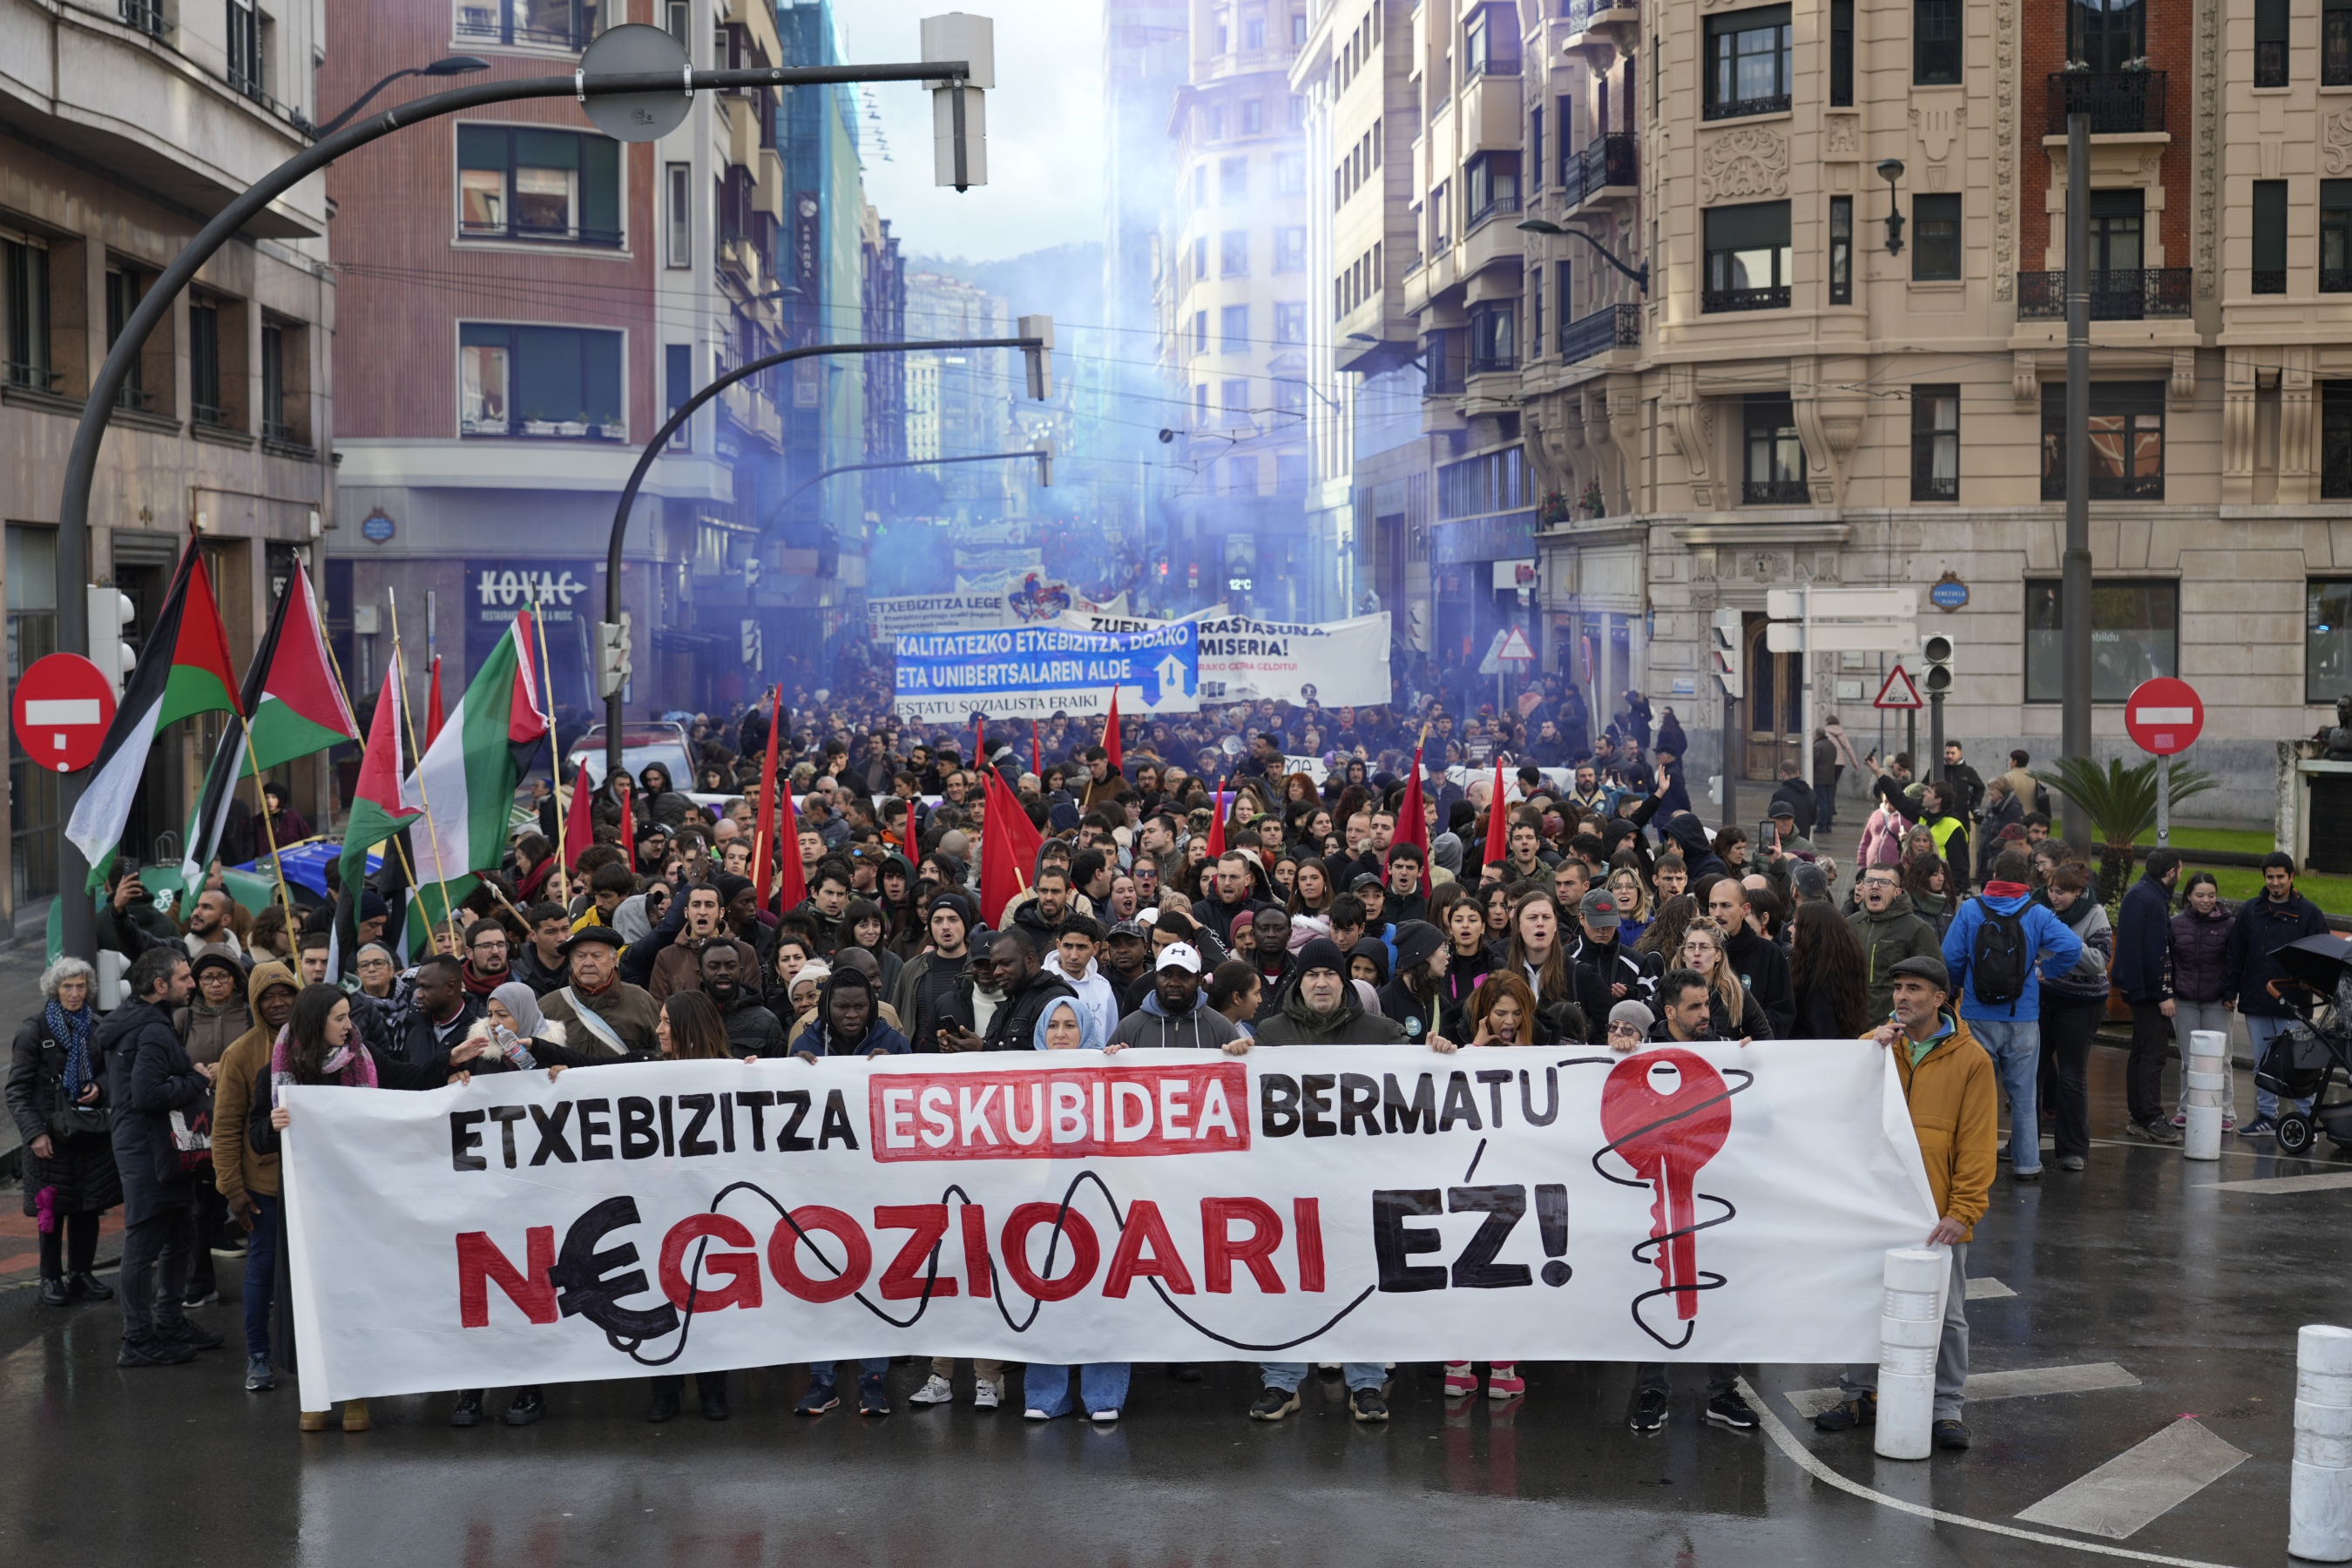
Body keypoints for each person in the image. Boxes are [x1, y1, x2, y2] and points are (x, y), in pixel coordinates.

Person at [263, 983, 489, 1431]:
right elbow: (255, 1133)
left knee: (352, 1293)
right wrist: (273, 1125)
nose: (350, 1026)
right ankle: (315, 1394)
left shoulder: (362, 1057)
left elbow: (408, 1079)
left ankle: (355, 1396)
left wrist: (451, 1061)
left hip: (353, 1200)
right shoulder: (279, 1067)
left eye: (350, 1016)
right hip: (306, 1202)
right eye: (340, 1018)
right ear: (314, 1022)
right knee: (309, 1295)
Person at [1815, 956, 1994, 1452]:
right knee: (1867, 1302)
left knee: (1948, 1314)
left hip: (1937, 1214)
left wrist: (1963, 1211)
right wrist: (1863, 1049)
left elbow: (1977, 1145)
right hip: (1876, 1207)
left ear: (1941, 999)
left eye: (1914, 988)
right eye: (1897, 988)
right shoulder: (1877, 1049)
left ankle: (1945, 1408)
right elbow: (1831, 1093)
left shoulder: (1971, 1060)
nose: (1902, 997)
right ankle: (1860, 1393)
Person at [1622, 968, 1759, 1433]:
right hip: (1655, 1193)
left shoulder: (1723, 1052)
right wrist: (1621, 1049)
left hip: (1712, 1188)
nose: (1705, 1014)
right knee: (1654, 1284)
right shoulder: (1641, 1051)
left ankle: (1724, 1391)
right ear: (1670, 1012)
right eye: (1695, 1007)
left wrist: (1754, 1063)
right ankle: (1653, 1389)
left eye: (1708, 1005)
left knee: (1721, 1290)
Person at [97, 949, 220, 1369]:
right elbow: (146, 1094)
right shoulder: (150, 1029)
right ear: (160, 986)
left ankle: (168, 1323)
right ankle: (137, 1338)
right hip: (151, 1151)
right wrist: (196, 1078)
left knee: (180, 1236)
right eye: (186, 978)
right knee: (146, 1243)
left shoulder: (143, 1021)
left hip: (161, 1148)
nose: (193, 984)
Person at [1020, 997, 1133, 1423]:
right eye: (1054, 1026)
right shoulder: (1019, 1077)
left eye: (1071, 1024)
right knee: (1046, 1294)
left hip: (1100, 1202)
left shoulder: (1108, 1070)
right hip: (1039, 1206)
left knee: (1102, 1299)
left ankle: (1103, 1395)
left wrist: (1128, 1068)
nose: (1062, 1033)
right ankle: (1047, 1395)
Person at [1939, 848, 2083, 1181]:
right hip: (2024, 1017)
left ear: (1993, 874)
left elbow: (1950, 958)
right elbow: (2072, 948)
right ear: (2026, 879)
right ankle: (2028, 1163)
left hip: (1977, 1016)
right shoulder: (2037, 913)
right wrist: (2046, 971)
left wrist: (1959, 987)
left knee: (1978, 1097)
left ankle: (1977, 1166)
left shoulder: (1972, 910)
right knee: (2024, 1095)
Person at [9, 958, 121, 1310]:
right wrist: (34, 1134)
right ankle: (50, 1276)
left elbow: (112, 1077)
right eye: (67, 987)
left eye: (81, 986)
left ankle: (81, 1273)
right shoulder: (34, 1030)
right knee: (51, 1211)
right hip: (50, 1138)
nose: (75, 993)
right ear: (54, 990)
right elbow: (16, 1090)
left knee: (88, 1208)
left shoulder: (97, 1026)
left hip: (90, 1133)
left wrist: (99, 1089)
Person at [209, 960, 297, 1392]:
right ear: (255, 1003)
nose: (278, 1003)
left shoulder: (319, 1042)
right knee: (263, 1270)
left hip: (316, 1184)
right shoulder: (240, 1054)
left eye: (286, 994)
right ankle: (259, 1355)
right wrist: (233, 1190)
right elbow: (225, 1127)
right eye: (268, 997)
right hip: (266, 1188)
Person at [2224, 852, 2331, 1137]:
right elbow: (2235, 954)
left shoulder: (2310, 913)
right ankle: (2267, 1117)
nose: (2274, 882)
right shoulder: (2250, 911)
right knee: (2262, 1063)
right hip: (2257, 999)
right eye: (2270, 877)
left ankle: (2307, 1117)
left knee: (2298, 1064)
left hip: (2294, 1004)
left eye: (2280, 877)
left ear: (2291, 877)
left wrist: (2313, 982)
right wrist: (2229, 990)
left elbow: (2324, 957)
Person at [2037, 863, 2115, 1169]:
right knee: (2032, 1073)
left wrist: (2064, 944)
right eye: (2051, 890)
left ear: (2078, 892)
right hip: (2043, 999)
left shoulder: (2095, 914)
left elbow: (2099, 961)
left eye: (2062, 892)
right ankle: (2023, 1144)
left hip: (2081, 1004)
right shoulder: (2040, 909)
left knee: (2071, 1075)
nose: (2054, 897)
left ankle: (2073, 1150)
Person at [2112, 848, 2184, 1144]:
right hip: (2148, 992)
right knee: (2153, 1055)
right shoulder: (2152, 901)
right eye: (2180, 870)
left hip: (2136, 989)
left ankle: (2140, 1116)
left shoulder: (2140, 894)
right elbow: (2156, 955)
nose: (2180, 875)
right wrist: (2162, 994)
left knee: (2141, 1053)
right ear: (2170, 873)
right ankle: (2151, 1117)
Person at [2166, 872, 2238, 1132]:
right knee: (2190, 1059)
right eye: (2200, 895)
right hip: (2184, 1000)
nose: (2206, 900)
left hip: (2218, 1002)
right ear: (2188, 896)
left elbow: (2234, 962)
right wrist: (2168, 994)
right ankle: (2185, 1110)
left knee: (2221, 1059)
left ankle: (2225, 1112)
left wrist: (2231, 993)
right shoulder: (2175, 924)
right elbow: (2169, 962)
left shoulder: (2230, 925)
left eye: (2211, 895)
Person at [540, 926, 663, 1054]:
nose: (588, 963)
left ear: (613, 959)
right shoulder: (549, 1006)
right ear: (571, 960)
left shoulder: (641, 1001)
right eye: (581, 956)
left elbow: (661, 1052)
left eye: (596, 956)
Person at [1107, 943, 1245, 1051]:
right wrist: (1114, 1060)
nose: (1174, 983)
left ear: (1199, 981)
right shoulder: (1129, 1027)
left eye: (1184, 976)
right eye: (1166, 975)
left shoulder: (1222, 1028)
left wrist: (1240, 1053)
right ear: (1155, 977)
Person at [1706, 879, 1794, 1038]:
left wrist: (1751, 1030)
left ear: (1744, 909)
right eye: (1713, 906)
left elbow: (1782, 1013)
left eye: (1725, 905)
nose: (1717, 913)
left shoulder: (1769, 954)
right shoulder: (1696, 952)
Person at [1676, 919, 1772, 1042]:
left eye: (1704, 947)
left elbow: (1766, 1037)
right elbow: (1651, 1027)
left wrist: (1750, 1045)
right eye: (1690, 947)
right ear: (1683, 955)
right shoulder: (1670, 989)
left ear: (1718, 955)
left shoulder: (1736, 993)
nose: (1696, 953)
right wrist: (1641, 1033)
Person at [1789, 901, 1872, 1039]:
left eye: (1796, 925)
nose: (1790, 929)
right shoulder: (1842, 970)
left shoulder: (1817, 980)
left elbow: (1821, 1032)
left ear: (1810, 932)